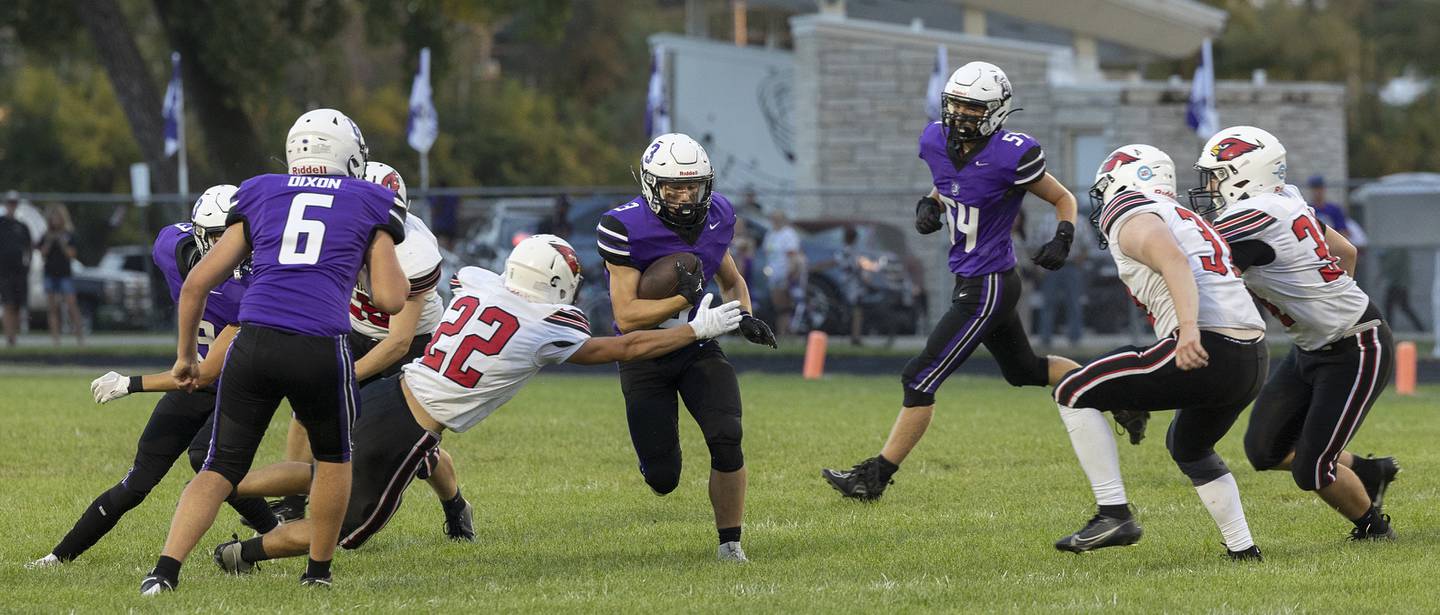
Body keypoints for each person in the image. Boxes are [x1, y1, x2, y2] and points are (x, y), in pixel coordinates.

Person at [209, 236, 744, 573]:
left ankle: (222, 483)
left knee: (316, 471)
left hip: (385, 392)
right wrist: (701, 324)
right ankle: (240, 554)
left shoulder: (477, 285)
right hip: (409, 428)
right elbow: (626, 346)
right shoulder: (546, 325)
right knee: (342, 530)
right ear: (559, 285)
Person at [138, 108, 409, 594]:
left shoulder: (261, 190)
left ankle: (164, 572)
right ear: (349, 155)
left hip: (254, 341)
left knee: (220, 464)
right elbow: (390, 300)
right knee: (332, 460)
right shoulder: (371, 199)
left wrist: (186, 358)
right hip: (319, 345)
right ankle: (318, 573)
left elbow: (199, 281)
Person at [821, 61, 1081, 500]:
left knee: (918, 379)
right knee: (1024, 371)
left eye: (971, 107)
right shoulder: (934, 140)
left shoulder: (1011, 154)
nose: (960, 114)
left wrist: (1064, 233)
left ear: (997, 111)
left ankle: (874, 477)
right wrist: (930, 202)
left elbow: (1062, 197)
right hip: (971, 279)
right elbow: (951, 184)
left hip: (989, 284)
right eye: (955, 103)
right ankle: (1115, 391)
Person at [26, 186, 281, 569]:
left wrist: (130, 383)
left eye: (241, 236)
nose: (234, 246)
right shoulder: (171, 247)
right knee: (137, 481)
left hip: (237, 385)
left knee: (203, 459)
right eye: (220, 236)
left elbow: (204, 372)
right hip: (194, 380)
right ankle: (56, 557)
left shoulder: (254, 285)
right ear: (198, 234)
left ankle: (275, 527)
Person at [1052, 144, 1268, 558]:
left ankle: (1113, 513)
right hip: (1252, 357)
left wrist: (1188, 331)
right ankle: (1243, 549)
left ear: (1123, 181)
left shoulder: (1131, 209)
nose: (1103, 202)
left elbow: (1173, 261)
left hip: (1207, 344)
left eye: (1105, 189)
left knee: (1072, 390)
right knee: (1189, 446)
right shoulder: (1184, 216)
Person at [1197, 126, 1400, 540]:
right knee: (1264, 450)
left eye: (1216, 175)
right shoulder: (1285, 200)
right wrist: (1326, 302)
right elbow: (1346, 252)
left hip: (1355, 347)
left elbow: (1206, 266)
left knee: (1312, 469)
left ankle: (1375, 531)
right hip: (1316, 346)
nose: (1209, 187)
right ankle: (1367, 471)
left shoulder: (1252, 217)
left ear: (1243, 174)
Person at [597, 133, 776, 562]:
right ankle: (655, 464)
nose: (684, 196)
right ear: (651, 186)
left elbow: (730, 279)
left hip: (699, 347)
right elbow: (626, 316)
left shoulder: (718, 216)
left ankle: (730, 544)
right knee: (663, 478)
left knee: (727, 435)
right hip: (645, 352)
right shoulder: (625, 226)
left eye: (692, 186)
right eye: (674, 187)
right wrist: (684, 299)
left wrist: (744, 316)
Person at [273, 161, 472, 540]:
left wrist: (343, 375)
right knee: (307, 409)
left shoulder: (412, 252)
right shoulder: (333, 231)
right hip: (353, 329)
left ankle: (456, 506)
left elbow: (397, 342)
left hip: (411, 341)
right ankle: (293, 501)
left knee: (410, 449)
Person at [37, 203, 84, 347]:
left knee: (71, 306)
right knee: (52, 308)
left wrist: (63, 243)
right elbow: (42, 253)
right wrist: (51, 240)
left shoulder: (69, 235)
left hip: (65, 274)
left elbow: (72, 255)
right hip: (50, 273)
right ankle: (55, 341)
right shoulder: (46, 235)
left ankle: (80, 339)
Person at [762, 208, 805, 337]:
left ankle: (786, 332)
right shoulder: (771, 234)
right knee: (778, 305)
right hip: (773, 273)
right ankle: (784, 331)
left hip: (784, 273)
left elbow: (792, 255)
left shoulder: (788, 234)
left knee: (784, 305)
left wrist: (790, 274)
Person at [0, 191, 31, 347]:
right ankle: (9, 338)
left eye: (14, 203)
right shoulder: (1, 223)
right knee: (8, 303)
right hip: (4, 271)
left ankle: (14, 337)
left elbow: (29, 248)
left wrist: (28, 266)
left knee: (18, 305)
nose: (12, 205)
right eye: (9, 202)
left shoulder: (22, 226)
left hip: (20, 271)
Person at [1379, 248, 1425, 331]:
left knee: (1398, 307)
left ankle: (1420, 328)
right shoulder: (1397, 249)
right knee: (1393, 307)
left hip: (1399, 283)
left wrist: (1383, 259)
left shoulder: (1398, 249)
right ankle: (1420, 328)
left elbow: (1391, 265)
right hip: (1397, 283)